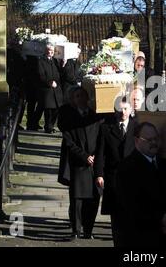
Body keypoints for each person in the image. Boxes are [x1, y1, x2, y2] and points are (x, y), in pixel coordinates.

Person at [115, 122, 166, 247]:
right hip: (143, 239)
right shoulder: (126, 168)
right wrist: (162, 220)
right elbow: (131, 206)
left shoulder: (165, 164)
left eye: (156, 139)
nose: (154, 143)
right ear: (137, 141)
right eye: (149, 139)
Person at [94, 97, 137, 246]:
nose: (123, 113)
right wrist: (99, 174)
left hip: (134, 178)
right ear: (114, 111)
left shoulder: (137, 127)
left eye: (126, 109)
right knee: (117, 218)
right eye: (120, 109)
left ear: (131, 110)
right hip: (114, 178)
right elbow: (100, 153)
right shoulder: (106, 127)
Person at [63, 87, 103, 239]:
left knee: (93, 199)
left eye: (82, 96)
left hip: (94, 164)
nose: (80, 99)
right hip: (78, 164)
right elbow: (68, 142)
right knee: (77, 199)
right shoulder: (69, 118)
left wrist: (95, 157)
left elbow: (101, 139)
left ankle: (88, 230)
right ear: (73, 100)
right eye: (76, 96)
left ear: (88, 99)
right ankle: (76, 230)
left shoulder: (96, 118)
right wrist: (84, 156)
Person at [38, 44, 63, 133]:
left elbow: (60, 73)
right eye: (49, 50)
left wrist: (63, 64)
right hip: (47, 89)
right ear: (46, 51)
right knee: (48, 110)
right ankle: (48, 127)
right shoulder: (41, 61)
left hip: (56, 89)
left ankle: (51, 125)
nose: (51, 52)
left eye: (52, 50)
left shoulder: (55, 61)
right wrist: (49, 82)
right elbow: (41, 74)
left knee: (56, 109)